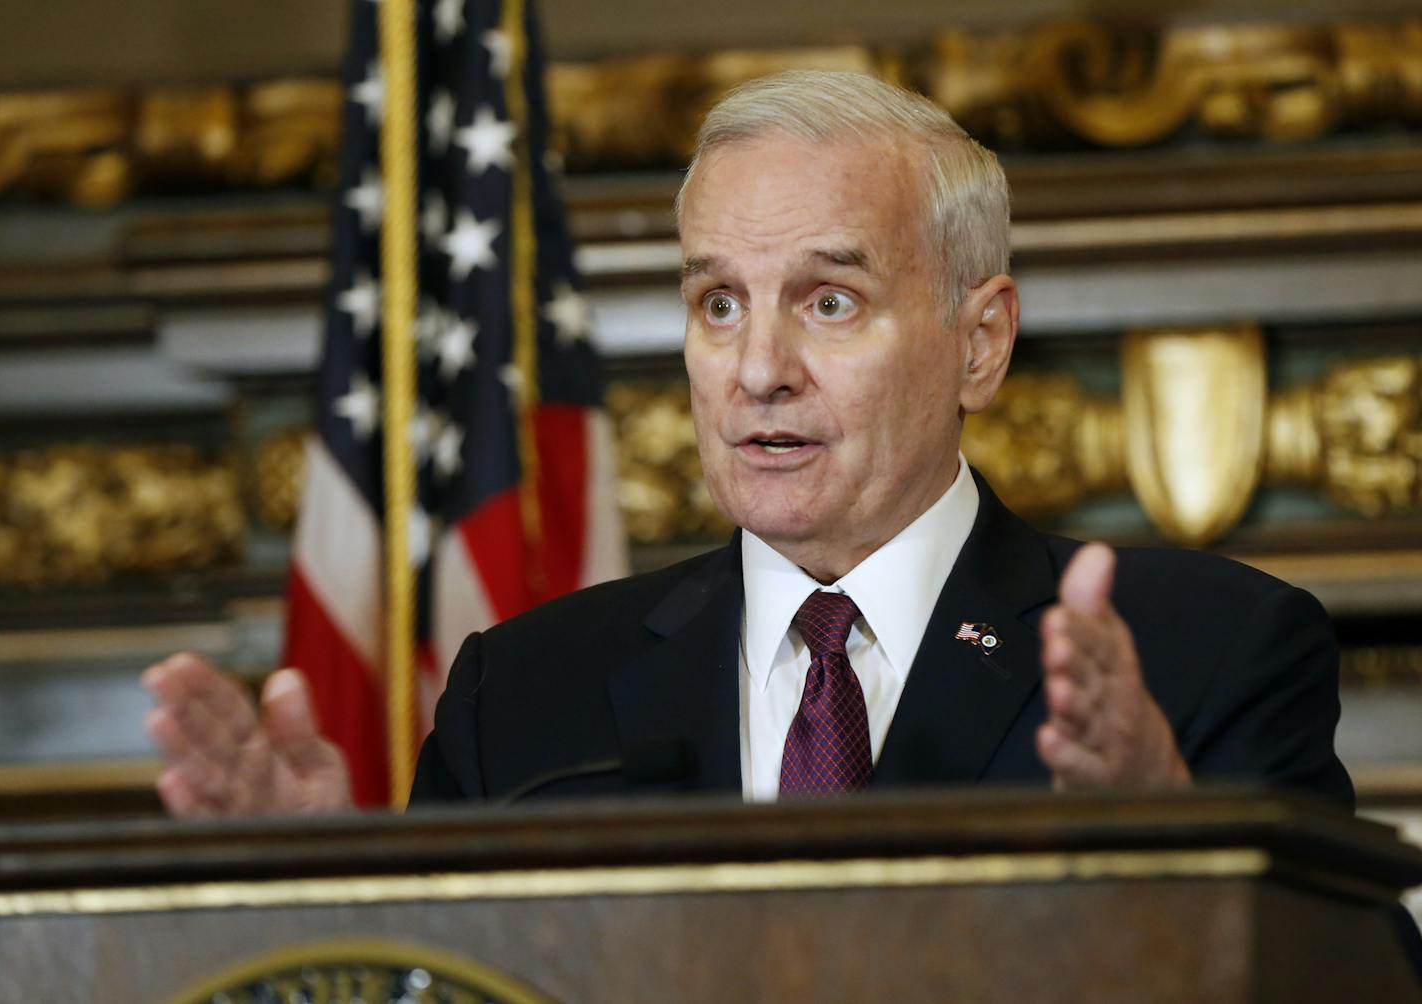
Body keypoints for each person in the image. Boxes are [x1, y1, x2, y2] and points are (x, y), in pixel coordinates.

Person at [142, 70, 1352, 815]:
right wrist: (311, 894)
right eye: (718, 301)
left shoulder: (1206, 652)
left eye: (829, 300)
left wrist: (1177, 837)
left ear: (978, 343)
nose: (757, 366)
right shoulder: (520, 699)